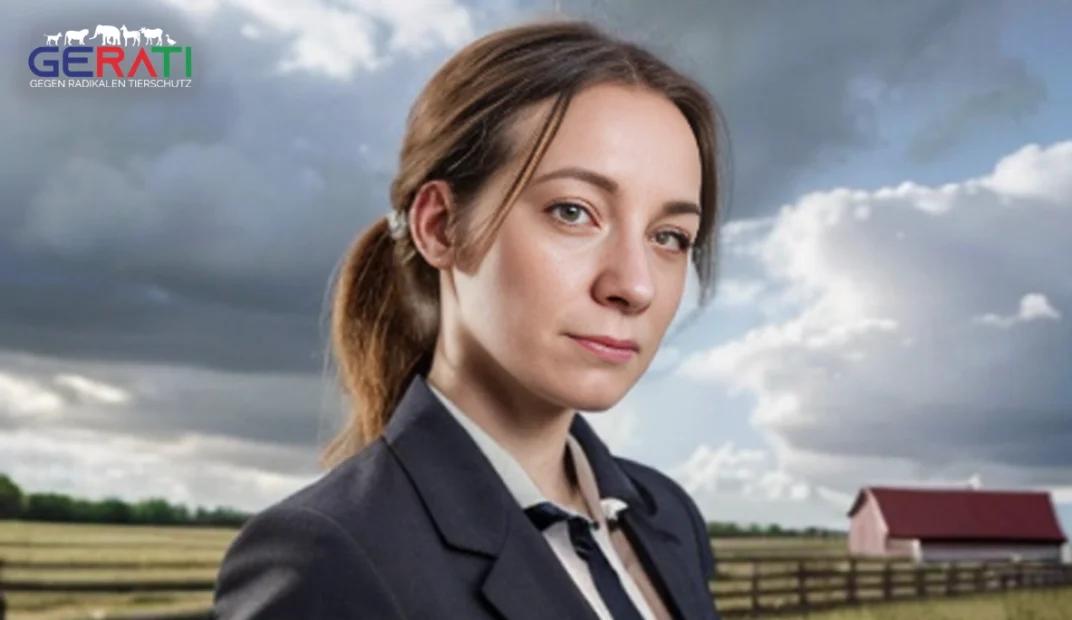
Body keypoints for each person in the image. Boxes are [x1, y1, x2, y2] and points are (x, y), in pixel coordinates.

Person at [213, 16, 726, 620]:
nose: (634, 285)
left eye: (669, 236)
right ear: (440, 226)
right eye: (572, 211)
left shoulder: (667, 515)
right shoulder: (329, 557)